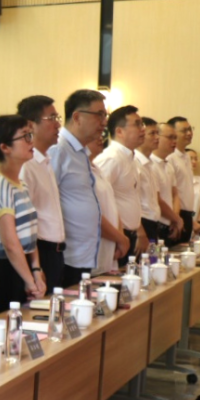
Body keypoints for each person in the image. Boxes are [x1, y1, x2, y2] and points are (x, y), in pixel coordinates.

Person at [50, 90, 116, 286]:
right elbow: (49, 201)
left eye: (105, 115)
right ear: (77, 117)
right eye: (99, 115)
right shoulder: (58, 149)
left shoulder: (80, 152)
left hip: (84, 255)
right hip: (67, 256)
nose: (104, 122)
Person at [0, 115, 43, 313]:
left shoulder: (21, 183)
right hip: (6, 270)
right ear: (5, 147)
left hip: (23, 267)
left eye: (31, 135)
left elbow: (30, 233)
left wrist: (36, 269)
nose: (31, 141)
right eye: (25, 136)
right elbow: (10, 242)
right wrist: (30, 280)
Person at [18, 95, 66, 293]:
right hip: (39, 252)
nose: (58, 125)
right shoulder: (26, 165)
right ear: (31, 125)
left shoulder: (45, 161)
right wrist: (35, 267)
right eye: (52, 118)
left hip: (56, 252)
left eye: (57, 118)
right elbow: (23, 222)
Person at [94, 105, 147, 263]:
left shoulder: (131, 159)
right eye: (137, 124)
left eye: (142, 124)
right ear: (119, 131)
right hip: (115, 236)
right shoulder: (111, 158)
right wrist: (117, 236)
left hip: (128, 234)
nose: (142, 129)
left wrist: (139, 230)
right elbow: (98, 200)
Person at [87, 133, 122, 275]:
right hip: (95, 246)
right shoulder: (82, 171)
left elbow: (112, 205)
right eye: (94, 135)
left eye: (101, 134)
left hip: (111, 243)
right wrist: (120, 239)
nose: (100, 138)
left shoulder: (97, 168)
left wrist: (121, 236)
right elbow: (92, 213)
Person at [168, 116, 195, 244]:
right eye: (184, 131)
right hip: (177, 214)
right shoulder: (170, 157)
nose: (189, 133)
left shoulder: (186, 156)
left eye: (190, 129)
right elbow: (170, 191)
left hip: (188, 214)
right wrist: (176, 218)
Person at [136, 117, 162, 243]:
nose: (157, 137)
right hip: (141, 223)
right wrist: (139, 230)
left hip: (153, 222)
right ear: (140, 135)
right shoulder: (135, 162)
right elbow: (131, 200)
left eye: (158, 133)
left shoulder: (150, 164)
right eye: (152, 133)